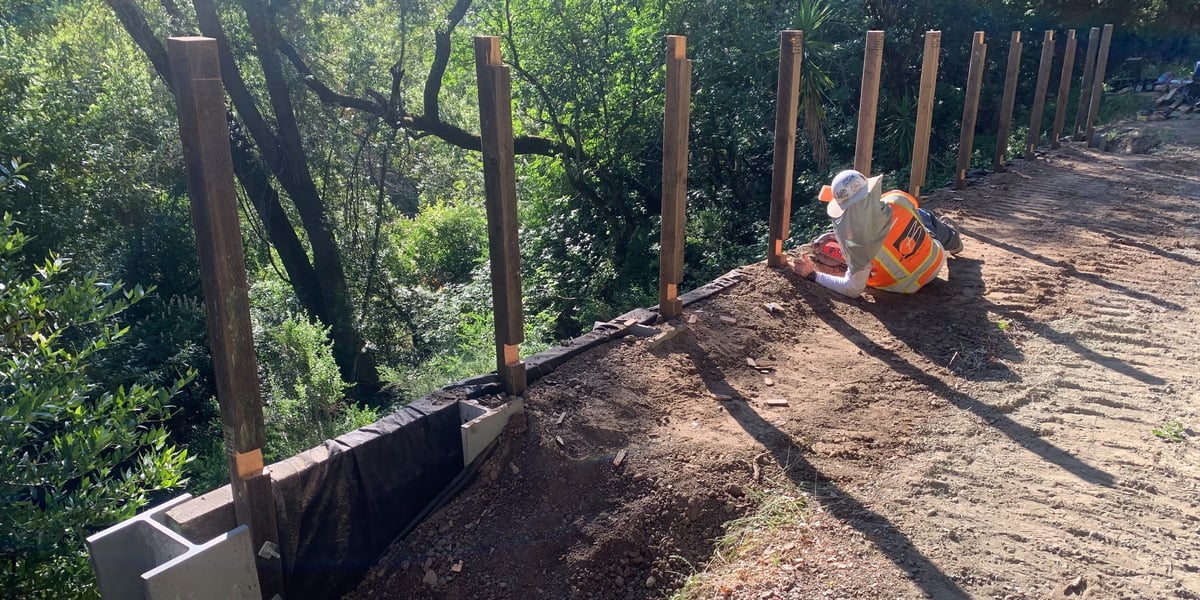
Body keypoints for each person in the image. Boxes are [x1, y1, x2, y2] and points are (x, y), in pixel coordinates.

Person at [790, 169, 962, 298]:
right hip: (934, 260)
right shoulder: (897, 200)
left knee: (862, 262)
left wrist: (812, 275)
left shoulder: (855, 241)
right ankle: (953, 240)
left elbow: (853, 289)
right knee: (924, 216)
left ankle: (951, 237)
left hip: (905, 286)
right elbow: (886, 223)